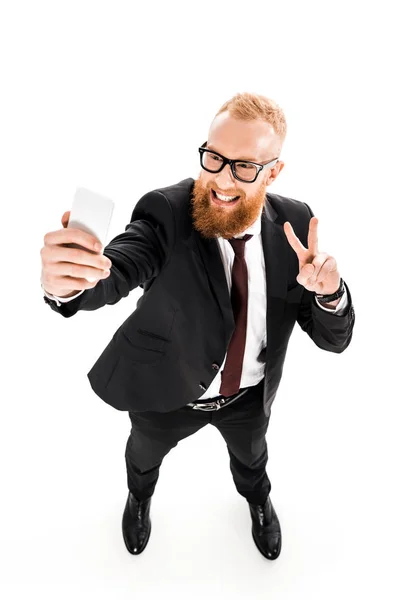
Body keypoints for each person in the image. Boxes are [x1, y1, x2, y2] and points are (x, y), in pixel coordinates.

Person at [40, 92, 355, 560]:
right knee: (143, 456)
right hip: (168, 390)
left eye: (244, 166)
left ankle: (257, 502)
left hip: (248, 395)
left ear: (274, 171)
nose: (221, 180)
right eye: (213, 157)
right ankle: (139, 499)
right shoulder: (166, 213)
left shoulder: (295, 223)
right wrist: (70, 283)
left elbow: (335, 340)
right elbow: (121, 266)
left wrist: (328, 293)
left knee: (252, 462)